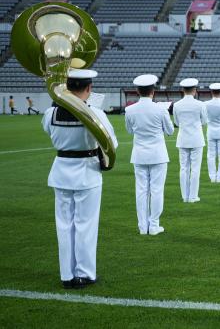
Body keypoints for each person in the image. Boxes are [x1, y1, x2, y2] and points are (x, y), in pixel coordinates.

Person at [42, 69, 118, 289]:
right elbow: (111, 144)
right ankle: (84, 273)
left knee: (63, 225)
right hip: (87, 172)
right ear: (89, 88)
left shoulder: (51, 113)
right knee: (85, 224)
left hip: (61, 171)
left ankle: (66, 274)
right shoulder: (96, 114)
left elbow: (48, 131)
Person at [125, 74, 174, 235]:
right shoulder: (160, 109)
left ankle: (142, 226)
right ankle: (154, 225)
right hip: (158, 155)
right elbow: (170, 131)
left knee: (141, 190)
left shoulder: (130, 110)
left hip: (139, 154)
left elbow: (129, 130)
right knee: (156, 190)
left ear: (138, 91)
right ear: (153, 91)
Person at [173, 78, 207, 203]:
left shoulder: (176, 105)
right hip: (196, 139)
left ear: (183, 90)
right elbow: (204, 121)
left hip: (183, 139)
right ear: (194, 90)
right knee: (195, 168)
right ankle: (193, 196)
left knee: (183, 168)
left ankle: (185, 196)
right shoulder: (200, 104)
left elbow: (176, 122)